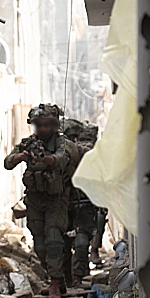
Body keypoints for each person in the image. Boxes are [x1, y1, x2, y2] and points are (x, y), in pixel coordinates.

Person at [4, 104, 70, 298]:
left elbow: (62, 158)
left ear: (54, 125)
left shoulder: (61, 142)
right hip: (34, 199)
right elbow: (8, 163)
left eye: (46, 125)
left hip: (55, 200)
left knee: (54, 239)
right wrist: (21, 156)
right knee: (40, 246)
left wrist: (47, 160)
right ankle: (55, 277)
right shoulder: (28, 143)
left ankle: (56, 284)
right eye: (38, 125)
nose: (42, 129)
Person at [61, 119, 98, 288]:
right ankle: (66, 278)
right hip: (62, 205)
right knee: (61, 246)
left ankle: (77, 278)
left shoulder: (85, 152)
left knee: (82, 244)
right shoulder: (55, 152)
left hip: (83, 204)